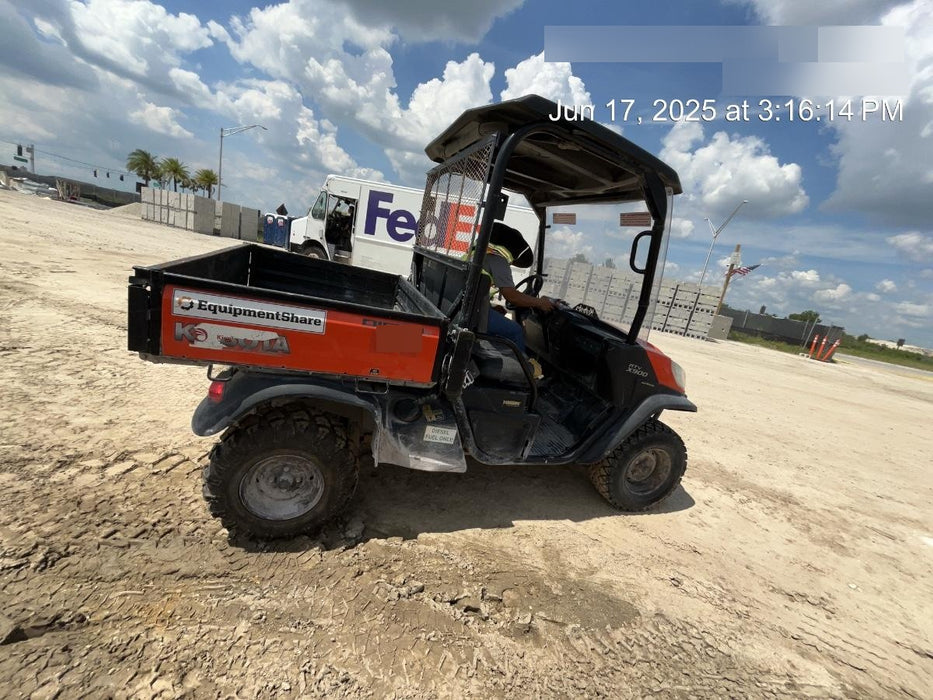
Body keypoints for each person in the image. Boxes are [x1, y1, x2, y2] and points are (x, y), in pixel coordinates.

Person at [480, 222, 555, 354]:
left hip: (471, 308)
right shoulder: (498, 260)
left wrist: (491, 308)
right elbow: (512, 296)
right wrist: (540, 303)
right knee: (515, 331)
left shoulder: (477, 253)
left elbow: (477, 289)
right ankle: (520, 371)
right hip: (477, 314)